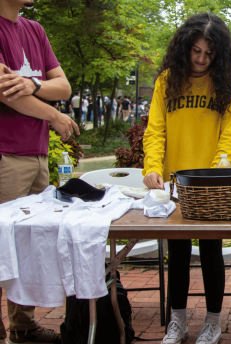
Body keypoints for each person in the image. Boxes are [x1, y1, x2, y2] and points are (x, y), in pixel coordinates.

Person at [142, 12, 231, 344]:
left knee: (211, 252)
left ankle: (213, 324)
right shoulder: (166, 81)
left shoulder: (225, 84)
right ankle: (178, 322)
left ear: (219, 54)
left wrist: (215, 174)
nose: (201, 59)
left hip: (210, 187)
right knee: (179, 254)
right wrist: (152, 167)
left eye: (208, 53)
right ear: (185, 47)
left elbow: (228, 137)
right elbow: (155, 131)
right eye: (196, 51)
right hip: (174, 187)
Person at [0, 0, 79, 343]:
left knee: (28, 246)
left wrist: (31, 86)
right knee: (1, 244)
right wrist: (55, 115)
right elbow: (6, 93)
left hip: (37, 154)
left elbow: (64, 87)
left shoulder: (34, 29)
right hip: (4, 154)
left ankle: (23, 326)